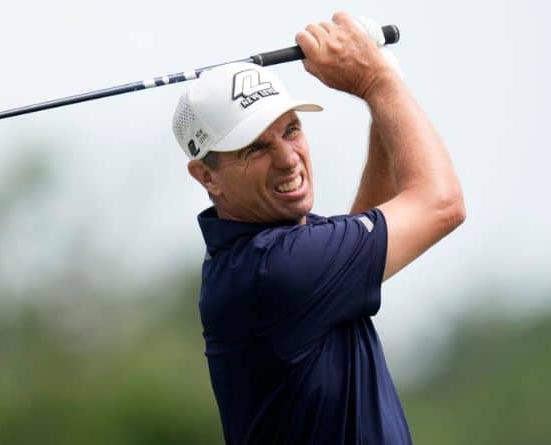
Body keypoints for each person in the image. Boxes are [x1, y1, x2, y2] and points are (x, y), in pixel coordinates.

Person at [172, 12, 465, 445]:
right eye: (256, 148)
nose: (289, 158)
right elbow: (442, 204)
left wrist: (381, 103)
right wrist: (377, 83)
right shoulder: (275, 270)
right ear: (206, 176)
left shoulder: (269, 258)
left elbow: (369, 224)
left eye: (291, 130)